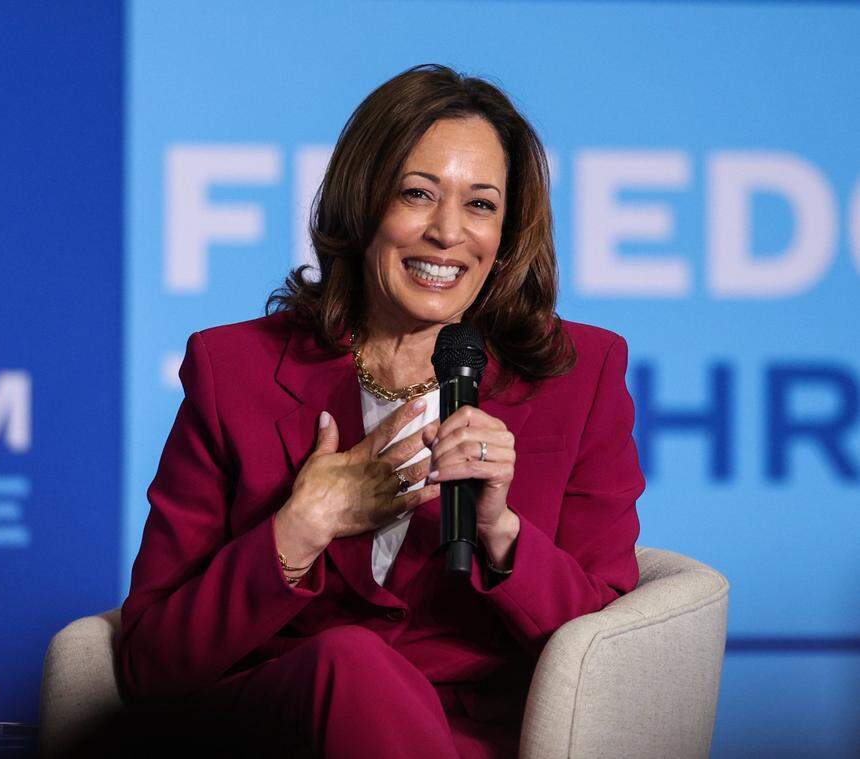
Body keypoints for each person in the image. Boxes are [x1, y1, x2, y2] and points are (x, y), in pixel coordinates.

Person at [115, 64, 644, 758]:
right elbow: (149, 660)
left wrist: (501, 531)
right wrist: (303, 526)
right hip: (284, 724)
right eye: (417, 194)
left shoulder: (579, 374)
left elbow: (611, 654)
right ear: (363, 204)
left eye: (480, 205)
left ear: (508, 231)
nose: (448, 232)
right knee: (350, 661)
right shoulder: (233, 370)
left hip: (472, 739)